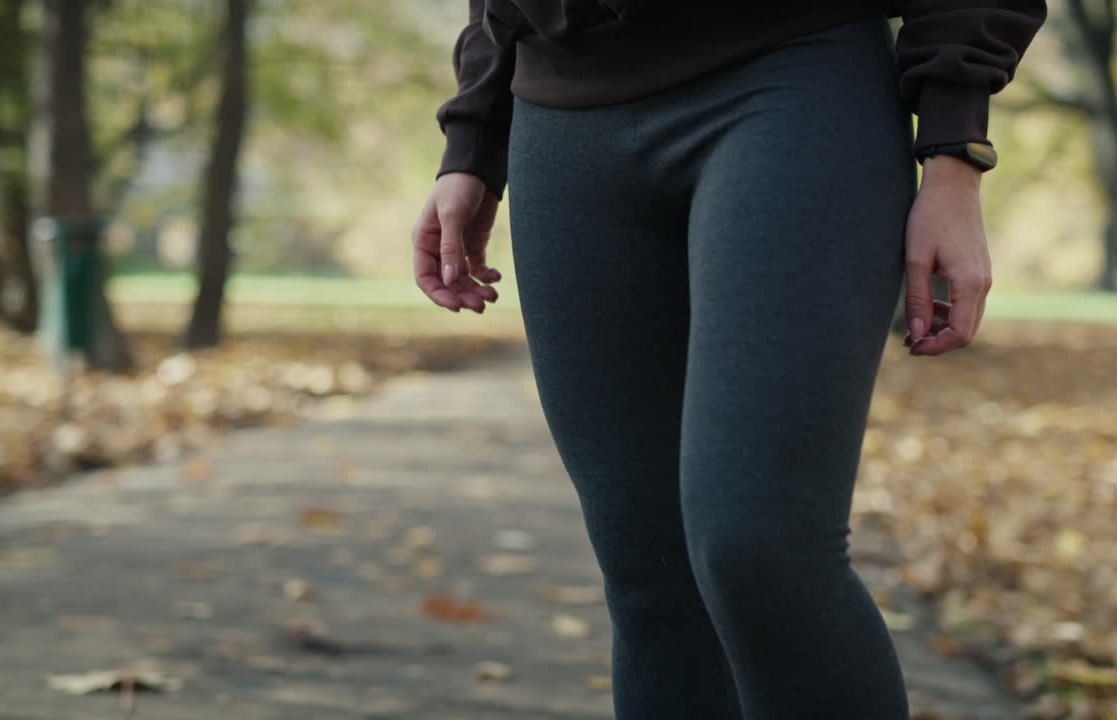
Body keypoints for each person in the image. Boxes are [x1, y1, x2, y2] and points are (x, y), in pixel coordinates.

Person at [411, 2, 1046, 717]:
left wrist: (955, 155)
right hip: (562, 124)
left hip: (791, 77)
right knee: (650, 576)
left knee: (761, 548)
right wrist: (473, 140)